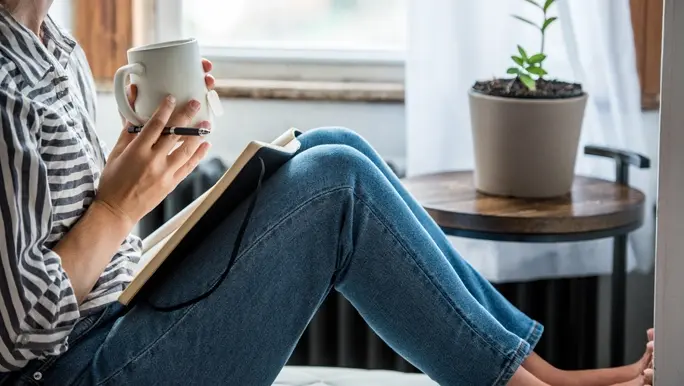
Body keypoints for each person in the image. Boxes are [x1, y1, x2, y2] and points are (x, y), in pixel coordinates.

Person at [0, 1, 654, 385]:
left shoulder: (52, 45)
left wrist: (142, 157)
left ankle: (543, 374)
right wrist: (119, 207)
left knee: (327, 144)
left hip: (116, 310)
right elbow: (14, 333)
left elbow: (66, 224)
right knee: (333, 184)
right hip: (74, 369)